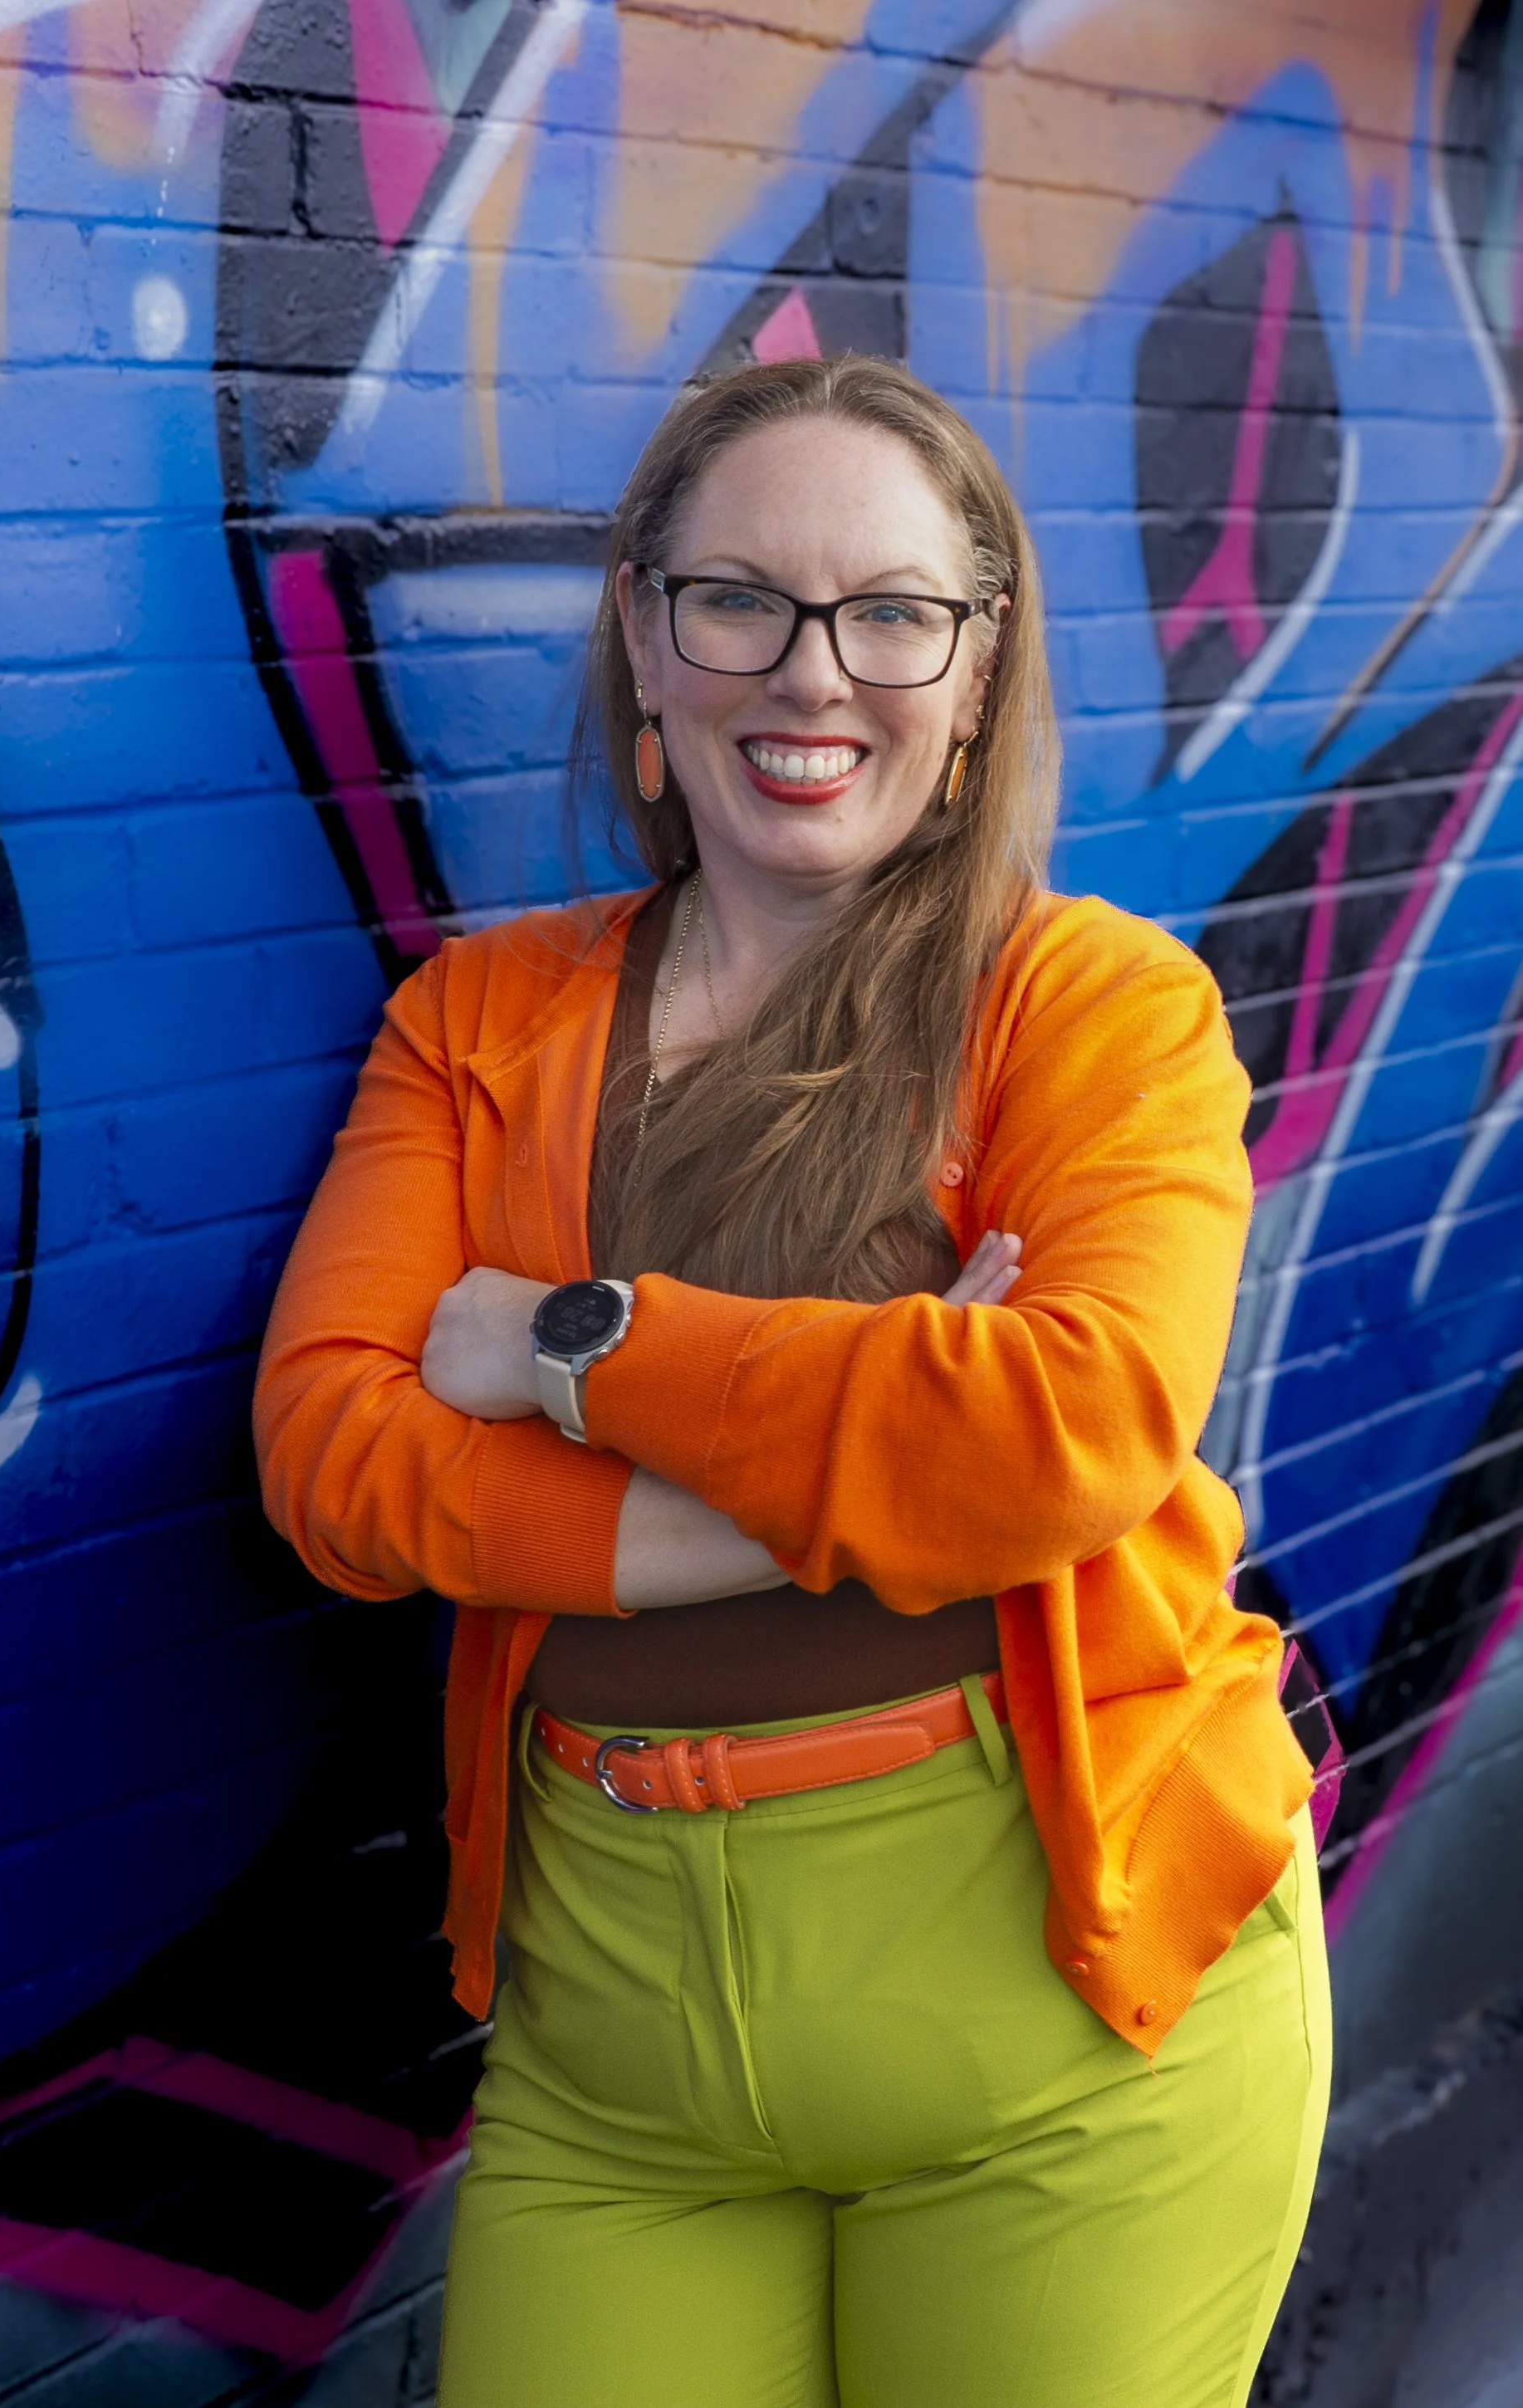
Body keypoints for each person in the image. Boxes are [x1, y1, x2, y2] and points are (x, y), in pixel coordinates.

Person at [254, 356, 1329, 2408]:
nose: (810, 671)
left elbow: (1065, 1433)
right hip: (614, 2048)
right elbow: (333, 1461)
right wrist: (854, 1474)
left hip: (1061, 2025)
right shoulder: (477, 1022)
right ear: (648, 641)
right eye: (738, 598)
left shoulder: (1092, 1011)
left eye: (893, 612)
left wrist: (564, 1339)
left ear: (978, 659)